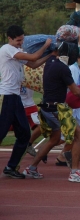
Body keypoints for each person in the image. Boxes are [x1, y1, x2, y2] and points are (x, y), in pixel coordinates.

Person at [23, 42, 80, 182]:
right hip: (57, 109)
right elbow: (75, 91)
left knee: (54, 139)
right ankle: (74, 172)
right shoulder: (62, 68)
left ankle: (32, 168)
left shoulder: (50, 62)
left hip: (47, 107)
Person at [0, 25, 52, 179]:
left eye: (22, 40)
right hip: (8, 95)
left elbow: (34, 64)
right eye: (18, 40)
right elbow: (33, 57)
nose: (20, 43)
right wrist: (46, 45)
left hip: (15, 97)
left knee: (24, 133)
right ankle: (10, 166)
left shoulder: (16, 52)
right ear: (10, 39)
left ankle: (10, 167)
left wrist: (50, 55)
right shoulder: (7, 49)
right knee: (2, 132)